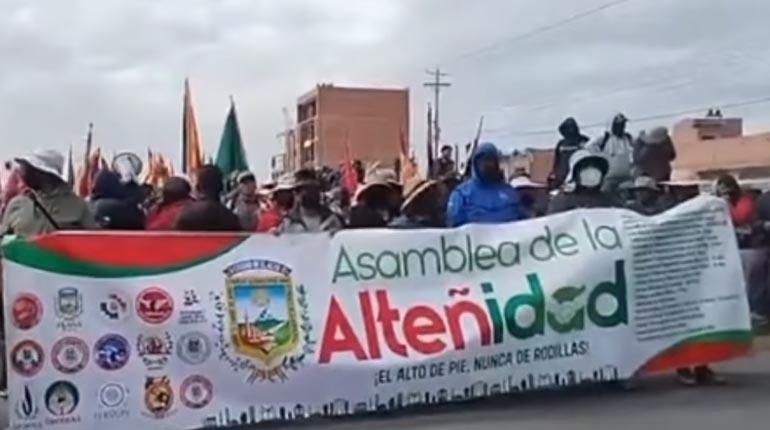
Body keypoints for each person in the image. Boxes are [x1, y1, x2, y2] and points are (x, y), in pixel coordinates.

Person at [1, 149, 96, 237]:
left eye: (29, 167)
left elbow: (95, 243)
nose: (23, 171)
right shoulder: (17, 204)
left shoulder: (78, 207)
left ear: (45, 173)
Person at [715, 174, 767, 325]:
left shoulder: (746, 200)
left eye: (729, 192)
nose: (727, 195)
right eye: (723, 193)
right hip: (727, 249)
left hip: (751, 247)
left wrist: (726, 204)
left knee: (752, 264)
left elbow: (740, 218)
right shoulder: (714, 204)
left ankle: (756, 311)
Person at [446, 142, 521, 227]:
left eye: (490, 160)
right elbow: (453, 227)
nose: (487, 164)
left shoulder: (509, 192)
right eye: (483, 160)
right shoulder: (461, 194)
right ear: (475, 163)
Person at [547, 150, 617, 214]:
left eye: (596, 167)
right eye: (585, 167)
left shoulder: (610, 199)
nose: (592, 172)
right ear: (575, 175)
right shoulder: (562, 200)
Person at [175, 164, 241, 231]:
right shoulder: (229, 218)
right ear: (221, 187)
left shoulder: (186, 215)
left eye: (193, 182)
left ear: (198, 187)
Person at [278, 168, 343, 233]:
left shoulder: (332, 220)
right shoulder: (288, 223)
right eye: (305, 190)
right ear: (297, 193)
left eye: (313, 189)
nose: (310, 193)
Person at [587, 113, 634, 195]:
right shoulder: (605, 138)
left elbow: (635, 150)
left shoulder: (628, 138)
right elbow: (589, 146)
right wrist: (600, 157)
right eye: (618, 125)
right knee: (604, 195)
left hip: (626, 177)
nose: (621, 127)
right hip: (608, 178)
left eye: (623, 124)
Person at [551, 117, 589, 189]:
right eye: (568, 128)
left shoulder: (583, 140)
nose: (571, 130)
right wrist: (555, 173)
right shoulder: (561, 143)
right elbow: (557, 159)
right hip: (563, 178)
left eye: (572, 127)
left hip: (581, 177)